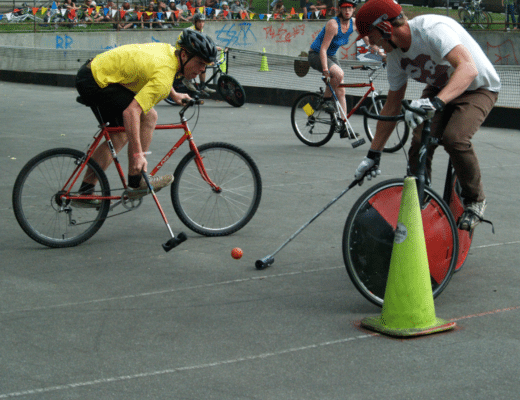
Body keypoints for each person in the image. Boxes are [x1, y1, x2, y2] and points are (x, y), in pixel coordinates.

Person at [353, 0, 500, 232]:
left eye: (370, 36)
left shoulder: (432, 30)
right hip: (439, 87)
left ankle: (475, 200)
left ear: (386, 28)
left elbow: (468, 69)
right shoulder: (394, 57)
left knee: (455, 138)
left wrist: (436, 102)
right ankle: (419, 196)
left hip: (477, 87)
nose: (371, 44)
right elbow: (391, 105)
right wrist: (373, 154)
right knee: (420, 140)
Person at [73, 30, 218, 206]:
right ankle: (135, 181)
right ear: (185, 55)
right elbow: (131, 112)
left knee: (128, 130)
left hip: (98, 72)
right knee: (143, 119)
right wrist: (138, 155)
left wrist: (173, 94)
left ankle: (90, 190)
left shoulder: (170, 52)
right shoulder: (163, 79)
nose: (203, 69)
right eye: (200, 63)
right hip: (95, 80)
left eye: (206, 65)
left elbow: (157, 72)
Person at [307, 0, 373, 139]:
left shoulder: (354, 22)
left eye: (350, 8)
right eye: (344, 8)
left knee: (341, 90)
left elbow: (366, 39)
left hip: (331, 56)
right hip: (317, 54)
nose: (347, 10)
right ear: (340, 9)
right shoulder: (333, 24)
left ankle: (344, 127)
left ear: (354, 9)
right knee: (339, 74)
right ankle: (325, 100)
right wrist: (325, 69)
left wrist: (378, 51)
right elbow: (323, 49)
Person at [177, 13, 220, 94]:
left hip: (190, 49)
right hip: (182, 49)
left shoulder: (200, 31)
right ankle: (187, 80)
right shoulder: (191, 30)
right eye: (199, 22)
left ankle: (203, 86)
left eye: (203, 22)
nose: (201, 24)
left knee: (203, 64)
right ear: (195, 22)